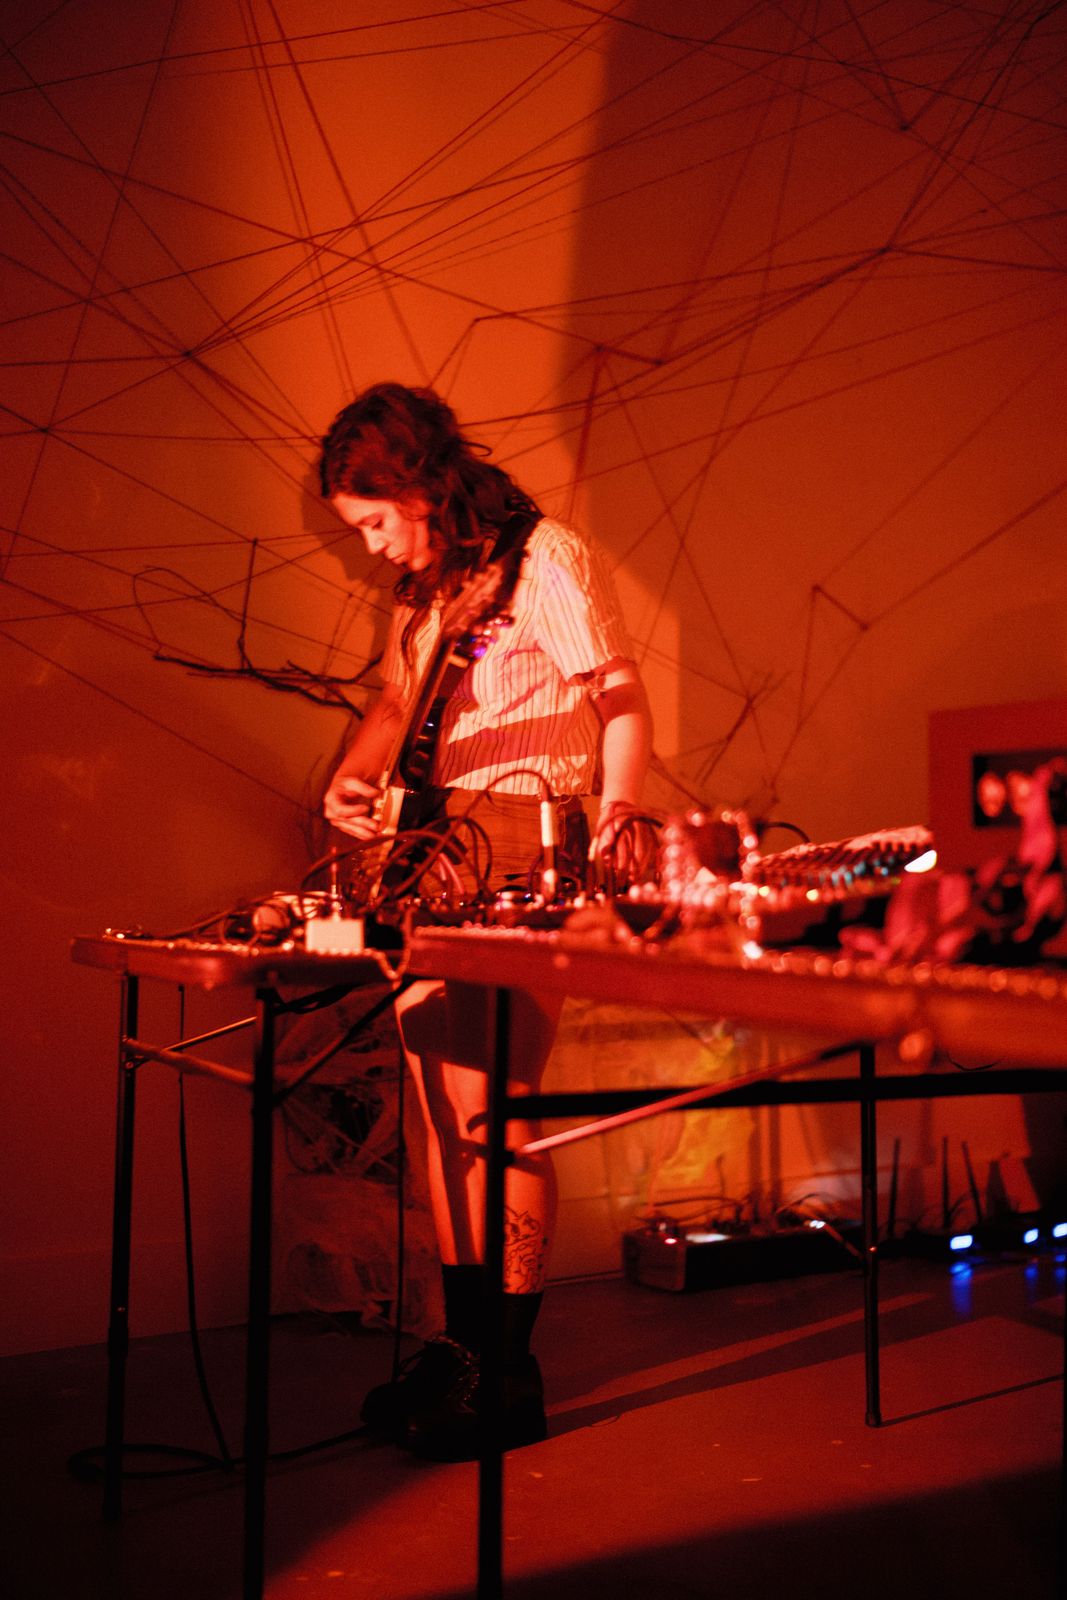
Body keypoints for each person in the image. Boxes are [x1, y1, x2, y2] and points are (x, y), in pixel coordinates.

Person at [319, 382, 653, 1460]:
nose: (373, 546)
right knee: (435, 1108)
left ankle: (508, 1368)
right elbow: (393, 702)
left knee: (492, 1110)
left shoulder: (542, 558)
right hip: (425, 840)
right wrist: (354, 775)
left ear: (420, 487)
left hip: (516, 835)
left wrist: (620, 815)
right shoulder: (428, 593)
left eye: (376, 521)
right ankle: (462, 1346)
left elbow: (618, 696)